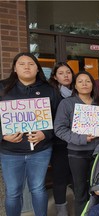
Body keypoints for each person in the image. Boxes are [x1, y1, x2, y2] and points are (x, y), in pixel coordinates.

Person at [0, 52, 60, 216]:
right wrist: (3, 135)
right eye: (22, 63)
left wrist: (45, 134)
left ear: (37, 68)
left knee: (38, 188)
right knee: (13, 192)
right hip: (10, 151)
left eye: (31, 63)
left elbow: (60, 119)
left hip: (40, 150)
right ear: (14, 68)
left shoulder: (49, 90)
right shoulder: (2, 88)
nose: (27, 66)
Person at [54, 71, 99, 216]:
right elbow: (59, 129)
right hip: (77, 153)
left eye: (87, 81)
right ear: (75, 85)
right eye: (80, 81)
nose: (84, 84)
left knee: (98, 190)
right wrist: (82, 139)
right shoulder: (67, 103)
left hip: (98, 153)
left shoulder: (98, 104)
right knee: (80, 190)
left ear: (93, 85)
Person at [48, 62, 75, 216]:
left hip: (78, 142)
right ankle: (61, 209)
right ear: (55, 77)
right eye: (61, 73)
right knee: (60, 177)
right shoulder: (52, 93)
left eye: (68, 72)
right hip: (59, 143)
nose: (66, 75)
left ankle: (80, 204)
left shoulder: (77, 92)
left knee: (75, 175)